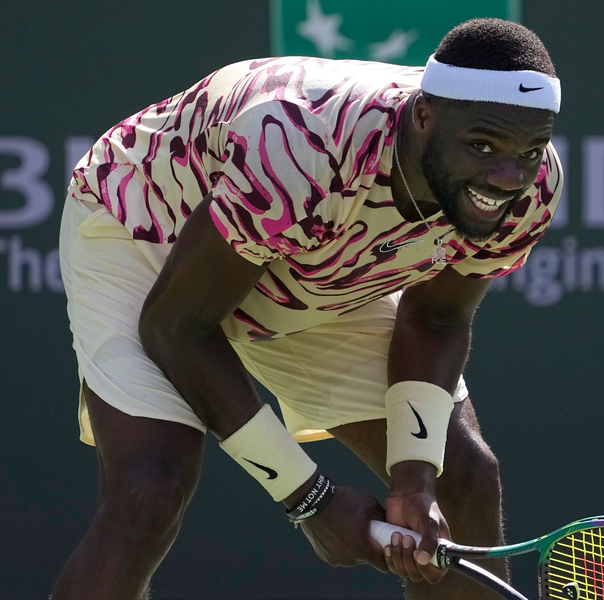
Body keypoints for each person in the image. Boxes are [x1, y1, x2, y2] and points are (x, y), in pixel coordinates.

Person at [53, 16, 563, 600]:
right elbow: (177, 325)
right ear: (424, 118)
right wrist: (310, 499)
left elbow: (436, 316)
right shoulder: (298, 142)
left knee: (460, 479)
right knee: (151, 487)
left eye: (529, 150)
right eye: (482, 146)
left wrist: (414, 478)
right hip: (149, 230)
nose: (507, 176)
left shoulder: (531, 188)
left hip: (306, 259)